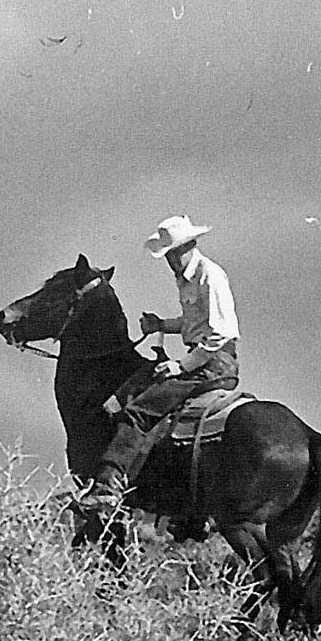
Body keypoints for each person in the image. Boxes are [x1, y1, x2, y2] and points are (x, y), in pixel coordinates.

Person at [72, 215, 242, 515]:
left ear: (189, 246)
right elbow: (196, 322)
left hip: (215, 362)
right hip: (206, 358)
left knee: (138, 410)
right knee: (131, 391)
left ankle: (109, 486)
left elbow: (221, 332)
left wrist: (181, 366)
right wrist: (162, 324)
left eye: (173, 253)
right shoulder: (189, 277)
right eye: (168, 255)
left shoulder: (209, 275)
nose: (171, 260)